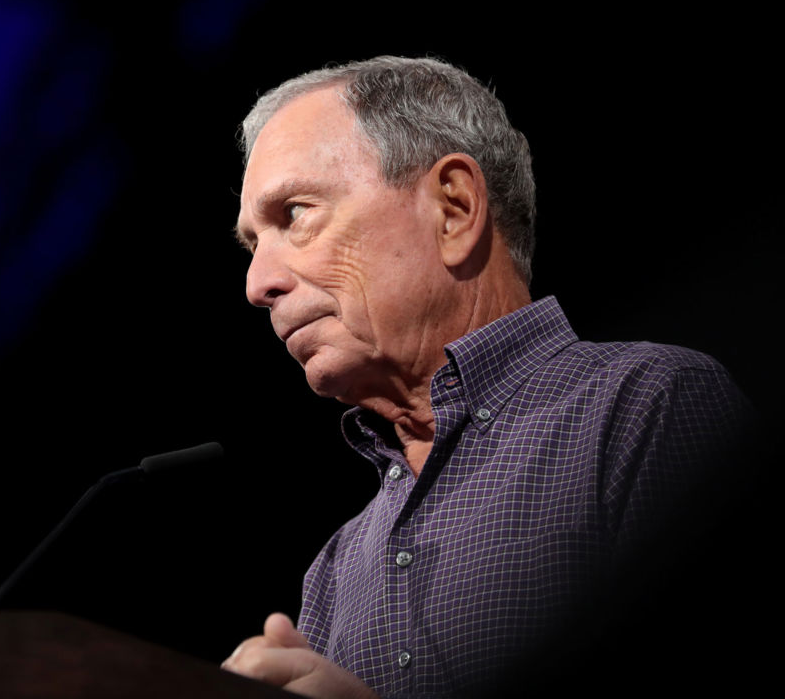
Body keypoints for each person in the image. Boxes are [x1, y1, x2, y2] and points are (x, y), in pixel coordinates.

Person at [220, 56, 752, 697]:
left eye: (296, 215)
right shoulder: (331, 578)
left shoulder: (647, 408)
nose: (257, 285)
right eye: (253, 245)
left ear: (454, 208)